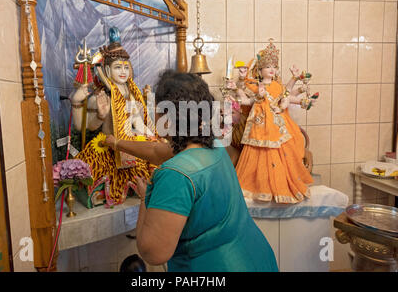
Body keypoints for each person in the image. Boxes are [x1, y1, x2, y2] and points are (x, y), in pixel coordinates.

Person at [124, 70, 278, 272]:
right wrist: (117, 143)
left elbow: (153, 253)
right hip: (255, 258)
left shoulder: (175, 175)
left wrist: (147, 200)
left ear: (166, 116)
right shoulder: (214, 146)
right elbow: (157, 151)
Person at [70, 27, 157, 206]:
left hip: (128, 142)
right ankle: (103, 192)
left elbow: (137, 122)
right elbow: (85, 127)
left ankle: (138, 188)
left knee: (150, 154)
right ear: (108, 70)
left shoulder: (131, 94)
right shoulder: (103, 95)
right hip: (109, 144)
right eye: (118, 67)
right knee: (98, 168)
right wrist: (99, 115)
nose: (123, 71)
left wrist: (151, 135)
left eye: (126, 67)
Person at [235, 40, 315, 204]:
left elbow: (285, 95)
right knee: (258, 155)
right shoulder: (255, 86)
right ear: (260, 69)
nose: (272, 70)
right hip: (260, 125)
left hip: (278, 124)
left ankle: (280, 186)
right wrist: (240, 85)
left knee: (288, 149)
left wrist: (299, 96)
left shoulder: (278, 86)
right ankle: (260, 188)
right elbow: (247, 100)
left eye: (274, 67)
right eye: (268, 67)